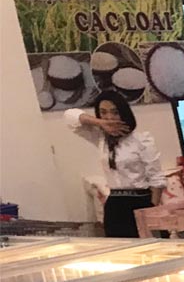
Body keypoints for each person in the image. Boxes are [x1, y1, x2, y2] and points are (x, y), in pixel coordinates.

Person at [65, 91, 165, 237]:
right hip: (114, 204)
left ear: (124, 113)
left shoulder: (141, 140)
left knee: (149, 247)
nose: (109, 117)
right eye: (103, 112)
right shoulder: (100, 139)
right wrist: (100, 123)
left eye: (115, 112)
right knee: (119, 248)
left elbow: (157, 180)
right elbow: (70, 117)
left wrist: (152, 212)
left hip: (141, 202)